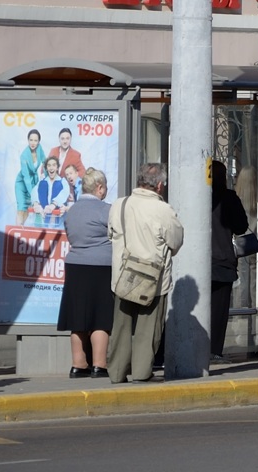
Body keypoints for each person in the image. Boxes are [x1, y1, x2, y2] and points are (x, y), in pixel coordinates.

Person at [107, 163, 183, 384]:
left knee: (121, 327)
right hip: (153, 278)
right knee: (148, 328)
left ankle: (117, 373)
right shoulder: (164, 210)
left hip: (122, 277)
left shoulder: (119, 205)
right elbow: (176, 242)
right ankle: (141, 372)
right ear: (159, 185)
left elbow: (110, 234)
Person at [58, 168, 113, 378]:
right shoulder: (106, 210)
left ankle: (78, 365)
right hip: (102, 266)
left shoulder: (71, 211)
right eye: (105, 187)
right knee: (101, 317)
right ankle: (99, 365)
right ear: (99, 188)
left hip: (75, 265)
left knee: (77, 317)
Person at [209, 161, 248, 363]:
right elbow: (241, 226)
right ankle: (214, 350)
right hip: (222, 260)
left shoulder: (196, 196)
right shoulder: (229, 197)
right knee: (218, 309)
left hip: (199, 262)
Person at [15, 129, 43, 225]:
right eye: (31, 140)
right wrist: (33, 196)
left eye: (35, 140)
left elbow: (45, 162)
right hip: (22, 183)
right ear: (28, 140)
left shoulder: (39, 149)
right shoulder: (24, 155)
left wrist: (48, 179)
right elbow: (26, 177)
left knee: (28, 209)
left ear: (38, 141)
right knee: (21, 207)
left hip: (34, 181)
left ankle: (22, 230)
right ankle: (17, 231)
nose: (33, 143)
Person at [34, 157, 71, 228]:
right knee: (43, 184)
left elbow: (65, 193)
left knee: (57, 185)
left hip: (58, 220)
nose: (51, 168)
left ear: (57, 168)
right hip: (43, 218)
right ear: (46, 168)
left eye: (54, 165)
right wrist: (36, 204)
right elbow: (35, 192)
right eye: (49, 165)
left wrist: (53, 205)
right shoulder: (42, 182)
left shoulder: (62, 181)